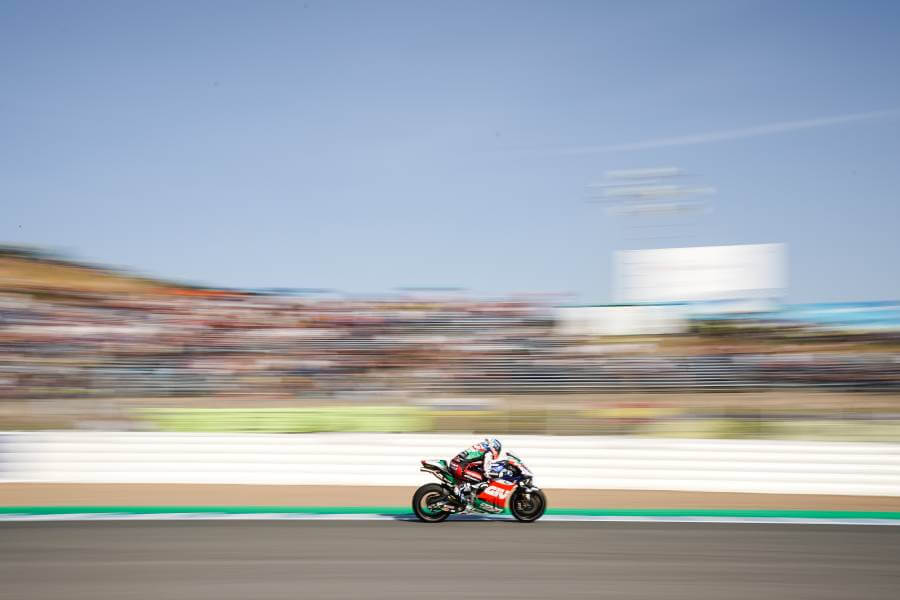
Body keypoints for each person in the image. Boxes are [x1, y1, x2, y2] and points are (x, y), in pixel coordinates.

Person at [448, 438, 502, 508]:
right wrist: (497, 475)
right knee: (482, 479)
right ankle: (461, 492)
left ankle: (465, 493)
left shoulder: (483, 447)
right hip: (460, 467)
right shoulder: (488, 453)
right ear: (495, 448)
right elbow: (486, 472)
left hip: (456, 463)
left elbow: (473, 460)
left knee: (477, 475)